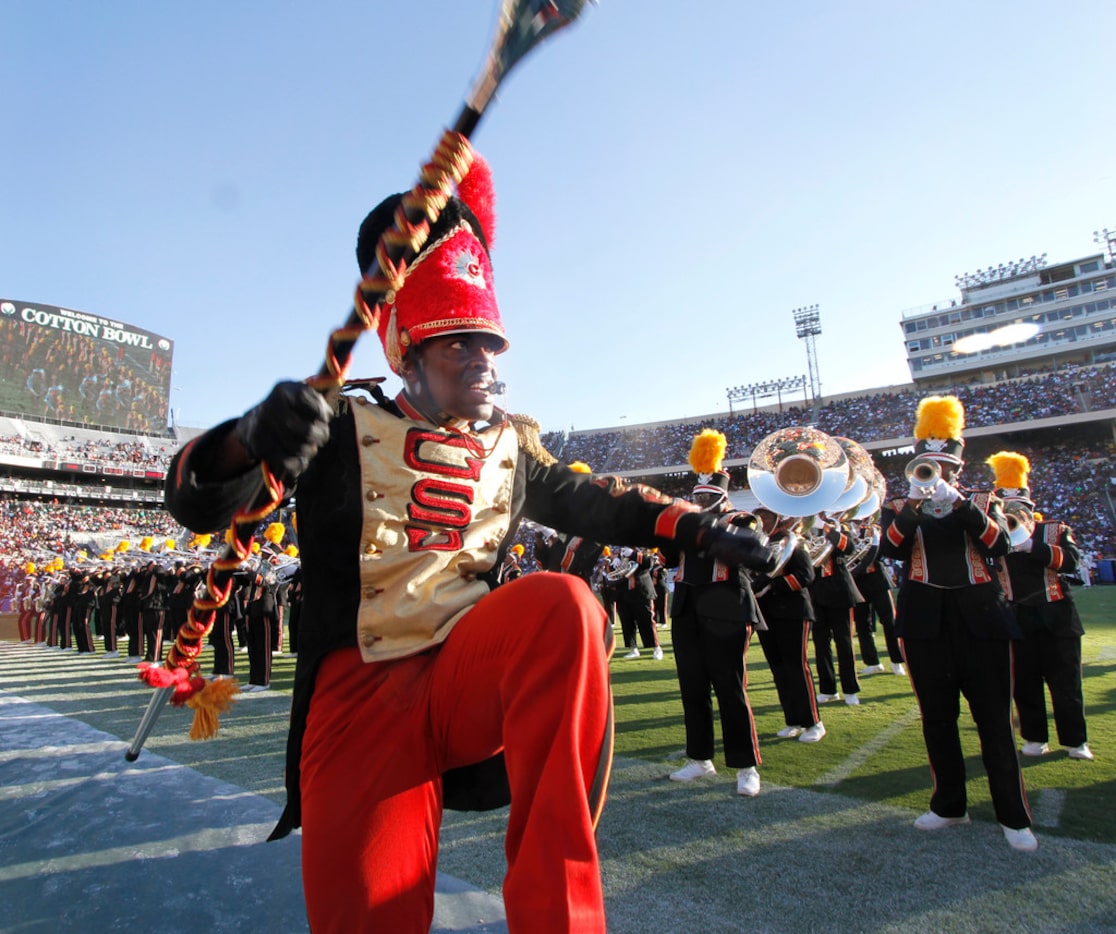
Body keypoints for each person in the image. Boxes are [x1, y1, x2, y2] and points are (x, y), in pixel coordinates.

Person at [163, 153, 779, 933]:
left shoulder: (515, 446)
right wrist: (251, 437)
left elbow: (601, 502)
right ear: (406, 353)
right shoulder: (337, 426)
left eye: (491, 345)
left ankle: (557, 916)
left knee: (564, 604)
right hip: (360, 700)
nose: (485, 362)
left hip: (467, 675)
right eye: (459, 344)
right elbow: (197, 499)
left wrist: (700, 527)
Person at [880, 395, 1037, 853]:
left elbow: (999, 544)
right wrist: (913, 507)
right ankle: (949, 805)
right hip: (925, 620)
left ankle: (1013, 815)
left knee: (993, 720)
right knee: (938, 720)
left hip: (981, 619)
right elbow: (890, 550)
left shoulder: (985, 501)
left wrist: (961, 504)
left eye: (942, 466)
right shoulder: (899, 505)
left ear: (956, 468)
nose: (934, 474)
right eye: (926, 466)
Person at [661, 430, 765, 796]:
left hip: (726, 609)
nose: (701, 499)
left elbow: (743, 551)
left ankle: (745, 765)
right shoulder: (684, 522)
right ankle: (699, 758)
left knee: (730, 686)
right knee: (692, 687)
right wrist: (666, 533)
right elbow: (669, 559)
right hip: (687, 607)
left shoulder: (741, 519)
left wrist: (699, 525)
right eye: (698, 495)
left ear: (721, 495)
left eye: (708, 495)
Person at [987, 451, 1092, 761]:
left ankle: (1076, 741)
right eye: (1009, 509)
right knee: (1025, 682)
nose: (1014, 514)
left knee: (1066, 682)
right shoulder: (995, 538)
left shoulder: (1055, 530)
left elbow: (1071, 561)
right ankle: (1034, 737)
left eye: (1019, 509)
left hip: (1057, 616)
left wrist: (1033, 545)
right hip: (1017, 616)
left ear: (1031, 508)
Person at [753, 508, 826, 743]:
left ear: (776, 518)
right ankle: (792, 719)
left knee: (797, 667)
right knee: (778, 669)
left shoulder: (793, 541)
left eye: (765, 517)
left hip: (793, 611)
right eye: (758, 518)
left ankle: (813, 722)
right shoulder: (757, 543)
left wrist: (774, 587)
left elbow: (806, 575)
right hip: (767, 613)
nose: (761, 522)